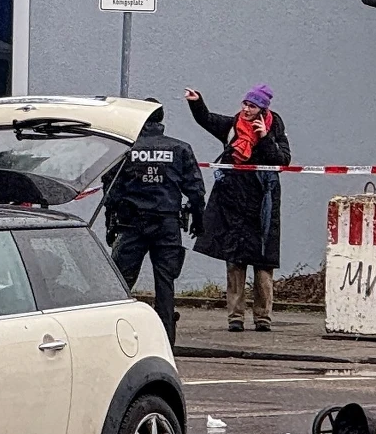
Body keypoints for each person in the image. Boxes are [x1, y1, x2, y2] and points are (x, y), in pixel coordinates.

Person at [185, 85, 291, 333]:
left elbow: (282, 160)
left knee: (264, 262)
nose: (246, 109)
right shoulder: (232, 126)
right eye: (244, 104)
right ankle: (235, 317)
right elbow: (206, 119)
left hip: (263, 204)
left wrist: (265, 138)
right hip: (233, 201)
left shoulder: (275, 129)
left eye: (252, 106)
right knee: (235, 260)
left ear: (262, 109)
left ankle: (263, 317)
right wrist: (197, 102)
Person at [104, 99, 206, 346]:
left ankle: (117, 339)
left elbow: (112, 190)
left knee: (120, 283)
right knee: (165, 284)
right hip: (167, 225)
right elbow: (195, 191)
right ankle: (166, 342)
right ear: (161, 120)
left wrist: (110, 223)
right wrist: (199, 221)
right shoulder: (179, 149)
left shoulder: (126, 149)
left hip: (132, 226)